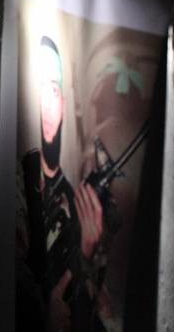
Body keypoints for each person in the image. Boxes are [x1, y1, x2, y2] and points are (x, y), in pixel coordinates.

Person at [21, 36, 106, 331]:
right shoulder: (25, 174)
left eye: (54, 90)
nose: (47, 102)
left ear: (63, 104)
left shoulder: (72, 199)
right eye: (42, 90)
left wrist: (87, 253)